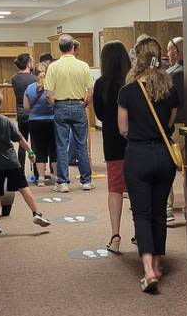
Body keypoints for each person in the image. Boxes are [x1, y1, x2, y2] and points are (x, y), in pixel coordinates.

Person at [118, 35, 179, 293]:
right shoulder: (170, 89)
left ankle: (148, 270)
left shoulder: (128, 91)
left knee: (141, 213)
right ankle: (157, 261)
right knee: (158, 212)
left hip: (138, 156)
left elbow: (122, 128)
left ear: (137, 59)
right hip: (164, 157)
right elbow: (170, 124)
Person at [0, 89, 52, 234]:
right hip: (11, 162)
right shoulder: (6, 121)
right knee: (23, 187)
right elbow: (20, 138)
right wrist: (31, 152)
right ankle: (36, 214)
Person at [92, 41, 131, 253]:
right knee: (137, 188)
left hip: (112, 141)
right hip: (134, 141)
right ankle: (140, 232)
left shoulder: (101, 83)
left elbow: (98, 114)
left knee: (115, 188)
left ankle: (115, 237)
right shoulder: (132, 81)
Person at [45, 34, 93, 193]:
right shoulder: (83, 66)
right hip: (79, 105)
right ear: (73, 47)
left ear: (60, 49)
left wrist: (56, 105)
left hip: (61, 106)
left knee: (61, 145)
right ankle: (86, 181)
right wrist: (84, 103)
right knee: (81, 144)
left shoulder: (53, 67)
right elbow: (91, 91)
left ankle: (63, 182)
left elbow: (49, 94)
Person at [23, 63, 56, 186]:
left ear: (34, 74)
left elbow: (26, 108)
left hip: (35, 122)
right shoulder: (52, 86)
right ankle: (57, 177)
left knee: (39, 150)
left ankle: (41, 178)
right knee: (54, 149)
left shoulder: (29, 88)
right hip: (52, 121)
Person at [165, 36, 185, 223]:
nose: (167, 54)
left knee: (168, 169)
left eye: (169, 50)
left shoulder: (170, 74)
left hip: (175, 127)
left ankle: (168, 210)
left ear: (176, 52)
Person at [10, 52, 37, 146]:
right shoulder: (34, 78)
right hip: (33, 113)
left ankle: (21, 161)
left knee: (22, 141)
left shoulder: (14, 78)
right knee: (34, 142)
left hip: (20, 113)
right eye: (32, 61)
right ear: (28, 63)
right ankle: (34, 161)